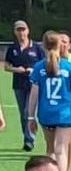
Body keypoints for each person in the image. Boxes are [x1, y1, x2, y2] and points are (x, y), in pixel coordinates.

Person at [29, 32, 71, 171]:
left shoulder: (39, 67)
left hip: (46, 113)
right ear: (59, 45)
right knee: (61, 150)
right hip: (65, 114)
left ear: (43, 45)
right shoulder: (68, 66)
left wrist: (30, 117)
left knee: (50, 149)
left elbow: (34, 94)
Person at [7, 20, 42, 157]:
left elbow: (43, 64)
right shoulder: (13, 48)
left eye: (23, 29)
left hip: (34, 84)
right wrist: (17, 69)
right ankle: (26, 138)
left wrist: (33, 70)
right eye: (18, 30)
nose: (21, 33)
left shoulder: (36, 48)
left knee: (29, 111)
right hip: (19, 84)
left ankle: (30, 139)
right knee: (23, 114)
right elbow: (7, 66)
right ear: (15, 32)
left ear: (28, 31)